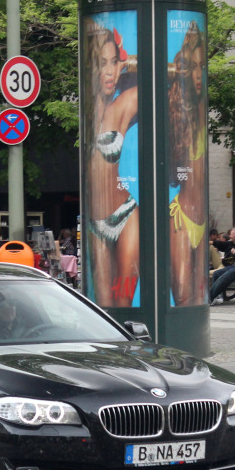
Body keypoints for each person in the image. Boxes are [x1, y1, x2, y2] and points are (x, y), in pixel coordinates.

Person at [84, 17, 140, 306]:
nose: (107, 72)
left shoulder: (124, 105)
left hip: (126, 214)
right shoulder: (84, 115)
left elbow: (159, 78)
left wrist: (126, 60)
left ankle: (134, 350)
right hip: (95, 223)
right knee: (103, 308)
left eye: (112, 63)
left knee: (124, 302)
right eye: (100, 63)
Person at [167, 19, 208, 307]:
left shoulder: (203, 111)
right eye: (191, 66)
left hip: (202, 222)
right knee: (183, 299)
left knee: (196, 300)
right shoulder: (180, 112)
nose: (197, 74)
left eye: (202, 67)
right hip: (181, 219)